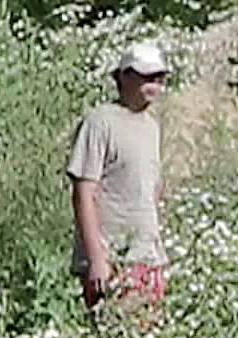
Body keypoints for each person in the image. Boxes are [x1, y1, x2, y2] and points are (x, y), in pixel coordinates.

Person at [67, 42, 171, 320]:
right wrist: (97, 258)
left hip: (146, 256)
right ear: (124, 76)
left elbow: (150, 190)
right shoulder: (100, 122)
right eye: (146, 76)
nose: (154, 83)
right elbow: (83, 193)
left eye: (159, 77)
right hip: (114, 258)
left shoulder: (151, 127)